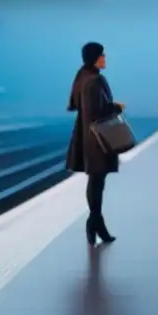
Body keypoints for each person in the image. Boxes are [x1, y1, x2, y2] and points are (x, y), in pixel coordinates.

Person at [66, 41, 125, 247]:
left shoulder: (82, 77)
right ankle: (94, 222)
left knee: (96, 180)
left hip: (87, 135)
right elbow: (96, 112)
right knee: (97, 180)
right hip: (97, 139)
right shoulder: (94, 81)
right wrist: (115, 107)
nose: (105, 58)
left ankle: (96, 223)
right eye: (102, 55)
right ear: (94, 58)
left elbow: (77, 105)